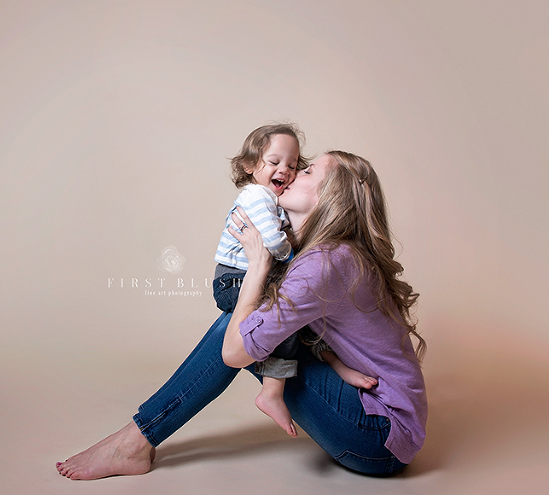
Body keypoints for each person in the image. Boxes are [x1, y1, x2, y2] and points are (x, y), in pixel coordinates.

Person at [56, 150, 427, 480]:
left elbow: (234, 351)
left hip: (378, 438)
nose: (295, 172)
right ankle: (137, 438)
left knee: (231, 330)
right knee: (248, 325)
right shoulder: (331, 254)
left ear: (333, 197)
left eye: (310, 171)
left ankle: (134, 442)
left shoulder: (325, 262)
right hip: (376, 417)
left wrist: (257, 265)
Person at [214, 125, 377, 436]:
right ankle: (273, 392)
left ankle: (140, 435)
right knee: (259, 325)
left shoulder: (326, 259)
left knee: (277, 322)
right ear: (250, 166)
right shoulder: (258, 197)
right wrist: (284, 256)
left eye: (296, 166)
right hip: (233, 280)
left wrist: (272, 259)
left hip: (247, 277)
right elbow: (275, 242)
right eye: (275, 162)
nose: (287, 172)